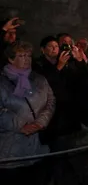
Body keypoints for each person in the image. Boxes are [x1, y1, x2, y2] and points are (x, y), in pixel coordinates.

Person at [0, 41, 55, 185]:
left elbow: (50, 102)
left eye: (28, 55)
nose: (26, 59)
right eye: (21, 55)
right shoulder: (2, 82)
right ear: (11, 59)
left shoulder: (39, 79)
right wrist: (21, 125)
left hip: (37, 149)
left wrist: (41, 122)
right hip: (11, 149)